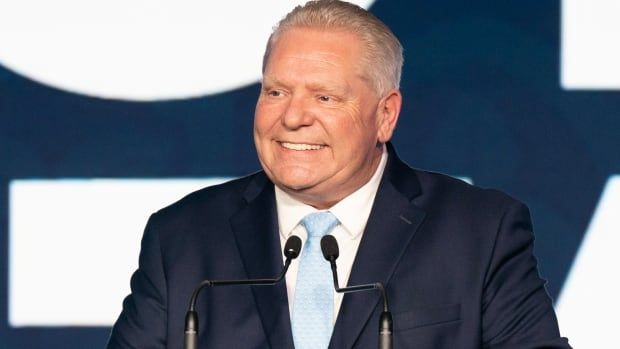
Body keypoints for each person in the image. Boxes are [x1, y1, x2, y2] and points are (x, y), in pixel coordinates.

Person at [107, 1, 570, 348]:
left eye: (325, 97)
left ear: (385, 115)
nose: (291, 118)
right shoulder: (182, 237)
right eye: (276, 91)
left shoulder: (480, 232)